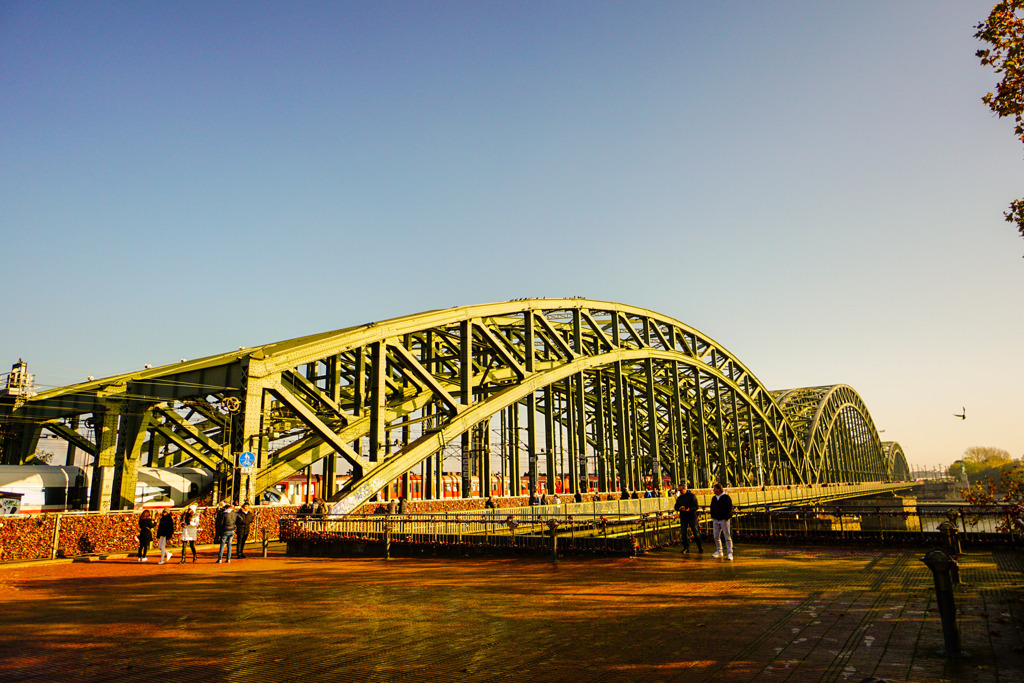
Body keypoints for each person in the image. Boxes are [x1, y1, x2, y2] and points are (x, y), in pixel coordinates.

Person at [674, 483, 703, 553]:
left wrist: (689, 509)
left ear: (684, 489)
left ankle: (700, 547)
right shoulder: (679, 498)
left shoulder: (691, 496)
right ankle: (686, 547)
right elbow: (676, 507)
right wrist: (679, 508)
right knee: (683, 533)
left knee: (695, 532)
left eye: (681, 491)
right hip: (683, 517)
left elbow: (696, 507)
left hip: (692, 517)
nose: (680, 492)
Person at [709, 483, 734, 560]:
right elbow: (712, 507)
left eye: (714, 489)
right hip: (716, 519)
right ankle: (719, 551)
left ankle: (730, 553)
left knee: (727, 537)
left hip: (724, 519)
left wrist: (727, 517)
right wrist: (713, 516)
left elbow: (730, 508)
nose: (713, 490)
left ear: (718, 489)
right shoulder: (714, 498)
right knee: (716, 536)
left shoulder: (726, 497)